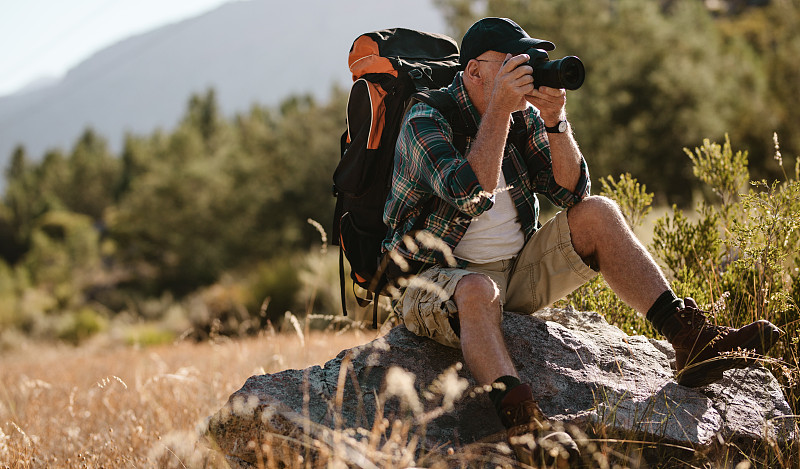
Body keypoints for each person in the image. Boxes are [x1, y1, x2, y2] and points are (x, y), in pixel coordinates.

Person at [381, 16, 783, 465]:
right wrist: (497, 110)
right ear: (474, 71)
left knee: (598, 213)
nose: (528, 69)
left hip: (514, 274)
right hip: (434, 280)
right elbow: (470, 193)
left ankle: (690, 340)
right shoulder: (426, 118)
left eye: (529, 59)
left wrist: (554, 120)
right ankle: (524, 427)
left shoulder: (523, 116)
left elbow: (571, 193)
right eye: (513, 61)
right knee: (478, 289)